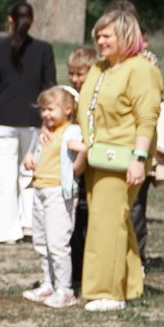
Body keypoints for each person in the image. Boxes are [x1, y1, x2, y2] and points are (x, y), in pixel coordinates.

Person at [74, 7, 163, 312]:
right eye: (97, 34)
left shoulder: (141, 69)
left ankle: (107, 292)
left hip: (123, 156)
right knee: (113, 218)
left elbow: (147, 117)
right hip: (96, 157)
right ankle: (131, 286)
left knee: (106, 222)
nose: (100, 39)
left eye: (106, 34)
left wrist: (139, 158)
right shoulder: (100, 68)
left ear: (126, 36)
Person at [0, 2, 56, 246]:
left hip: (2, 118)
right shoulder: (44, 49)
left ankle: (6, 230)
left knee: (2, 176)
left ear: (9, 19)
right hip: (33, 117)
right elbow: (49, 85)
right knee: (30, 172)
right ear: (33, 20)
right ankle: (30, 223)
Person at [22, 86, 85, 307]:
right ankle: (49, 283)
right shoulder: (46, 132)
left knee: (58, 243)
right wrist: (30, 158)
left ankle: (65, 289)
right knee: (41, 241)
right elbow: (37, 154)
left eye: (50, 109)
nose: (46, 114)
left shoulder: (72, 132)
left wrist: (83, 153)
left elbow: (78, 162)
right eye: (43, 110)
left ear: (68, 109)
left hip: (59, 192)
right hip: (40, 189)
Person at [64, 45, 99, 283]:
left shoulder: (97, 98)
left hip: (93, 165)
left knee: (89, 219)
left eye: (80, 74)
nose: (75, 79)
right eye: (72, 74)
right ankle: (75, 273)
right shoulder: (70, 98)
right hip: (74, 168)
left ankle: (90, 271)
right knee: (75, 220)